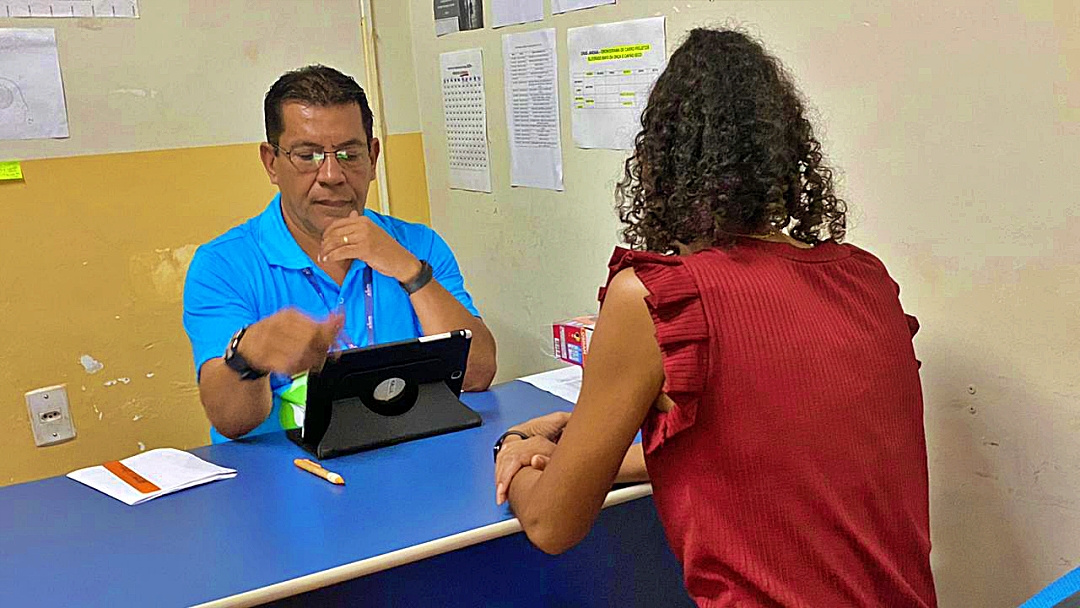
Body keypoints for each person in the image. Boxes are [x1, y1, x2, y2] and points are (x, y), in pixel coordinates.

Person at [494, 29, 938, 607]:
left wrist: (515, 455)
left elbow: (554, 525)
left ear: (658, 163)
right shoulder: (864, 278)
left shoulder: (657, 296)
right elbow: (759, 453)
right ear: (787, 156)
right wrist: (587, 450)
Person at [183, 65, 496, 442]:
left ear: (373, 157)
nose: (332, 174)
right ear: (271, 163)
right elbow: (231, 423)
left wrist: (409, 271)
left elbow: (478, 374)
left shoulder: (419, 245)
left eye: (349, 153)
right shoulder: (224, 265)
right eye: (307, 155)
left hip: (409, 459)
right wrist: (249, 356)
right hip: (288, 477)